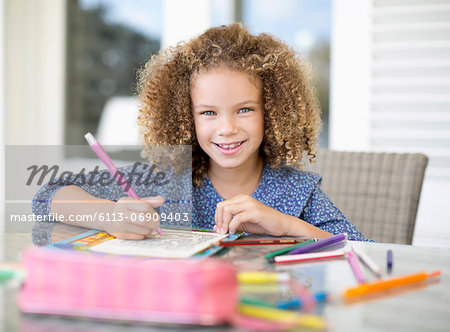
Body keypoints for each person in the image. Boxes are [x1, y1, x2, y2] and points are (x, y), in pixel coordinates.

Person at [32, 23, 369, 241]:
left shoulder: (298, 190)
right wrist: (107, 215)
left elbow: (362, 251)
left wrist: (287, 225)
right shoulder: (163, 180)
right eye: (208, 113)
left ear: (274, 112)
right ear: (184, 118)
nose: (227, 128)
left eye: (245, 109)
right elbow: (47, 196)